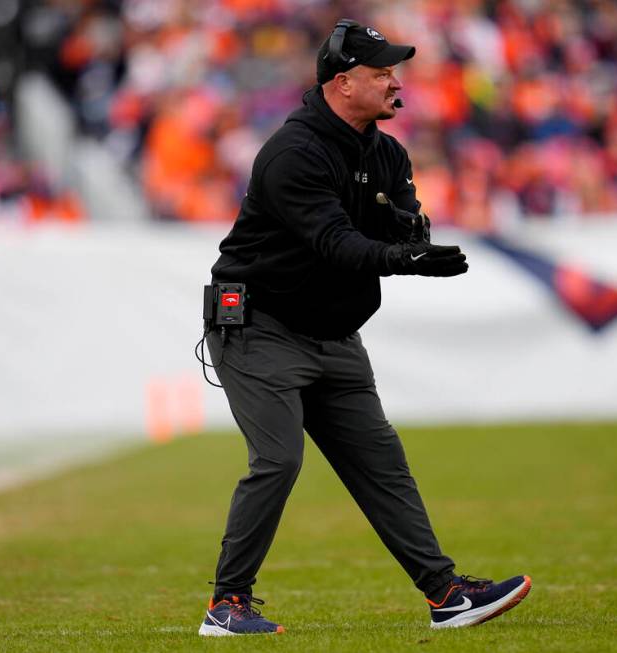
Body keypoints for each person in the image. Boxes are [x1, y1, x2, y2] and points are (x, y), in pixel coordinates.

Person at [198, 20, 531, 637]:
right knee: (277, 458)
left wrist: (412, 238)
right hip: (260, 325)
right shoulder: (292, 153)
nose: (394, 81)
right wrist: (404, 258)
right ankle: (227, 603)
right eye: (380, 72)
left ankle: (446, 594)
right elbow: (333, 244)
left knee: (382, 462)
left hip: (333, 330)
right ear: (342, 83)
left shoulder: (387, 152)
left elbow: (396, 229)